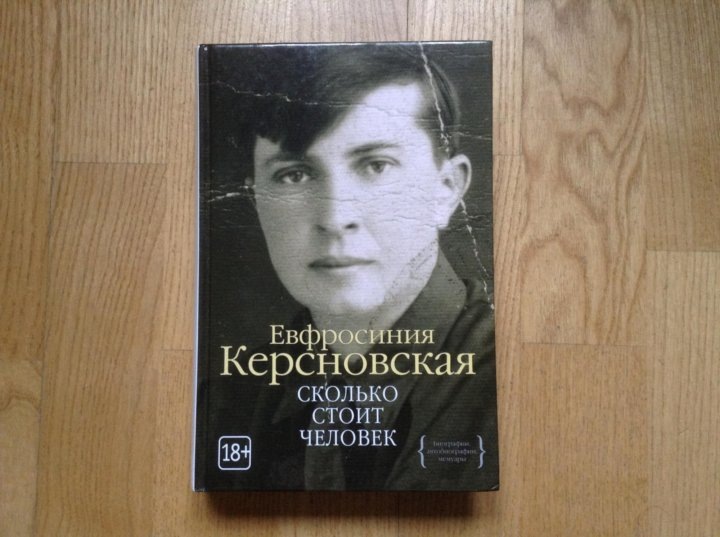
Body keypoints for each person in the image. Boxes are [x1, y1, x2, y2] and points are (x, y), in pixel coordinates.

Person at [221, 45, 497, 490]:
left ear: (445, 190)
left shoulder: (508, 384)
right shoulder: (223, 408)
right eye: (294, 174)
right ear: (256, 200)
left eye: (376, 166)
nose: (335, 217)